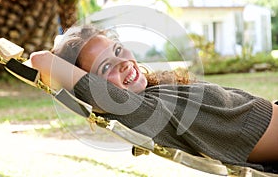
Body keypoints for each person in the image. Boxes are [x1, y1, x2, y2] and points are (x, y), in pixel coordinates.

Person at [30, 25, 278, 173]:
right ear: (94, 88)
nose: (123, 62)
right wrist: (64, 56)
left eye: (117, 50)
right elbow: (40, 60)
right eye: (105, 67)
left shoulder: (153, 92)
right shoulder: (137, 109)